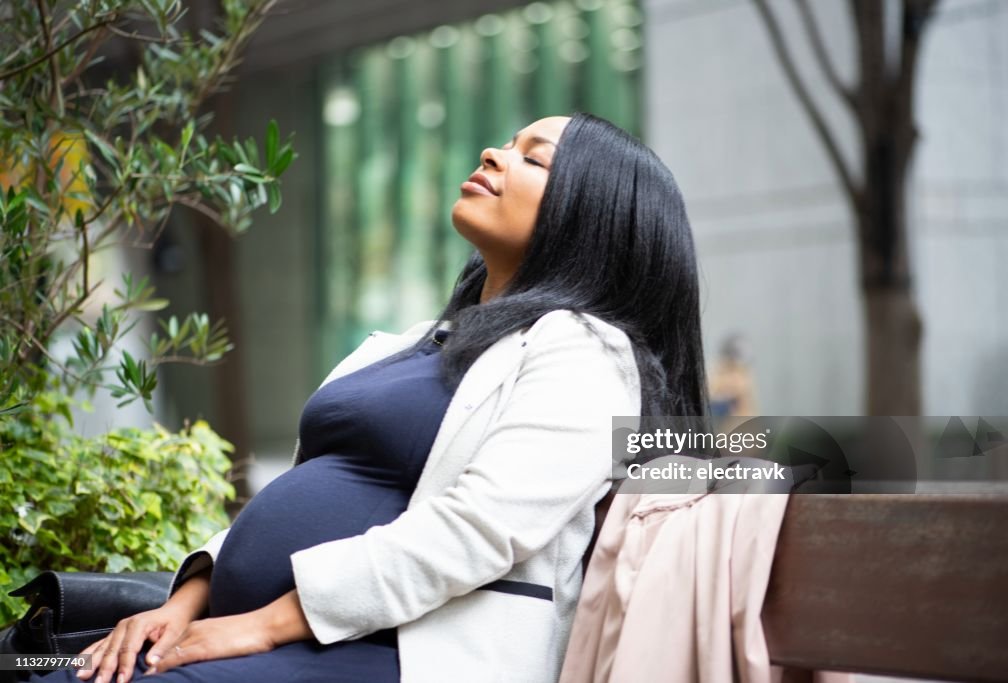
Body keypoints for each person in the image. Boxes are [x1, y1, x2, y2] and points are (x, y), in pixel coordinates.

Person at [44, 112, 707, 683]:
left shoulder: (586, 352)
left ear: (588, 216)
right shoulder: (414, 341)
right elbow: (304, 487)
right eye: (507, 142)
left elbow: (479, 528)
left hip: (400, 653)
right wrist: (184, 601)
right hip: (272, 634)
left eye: (534, 158)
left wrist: (263, 625)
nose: (494, 154)